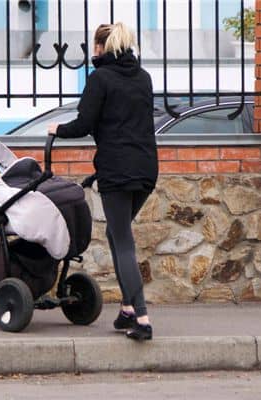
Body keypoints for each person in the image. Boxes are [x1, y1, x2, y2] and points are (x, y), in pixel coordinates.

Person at [48, 22, 158, 341]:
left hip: (117, 171)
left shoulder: (101, 79)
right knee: (116, 231)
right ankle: (126, 310)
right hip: (147, 169)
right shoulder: (144, 78)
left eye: (94, 46)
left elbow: (84, 123)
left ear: (100, 47)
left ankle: (141, 318)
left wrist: (58, 129)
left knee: (122, 240)